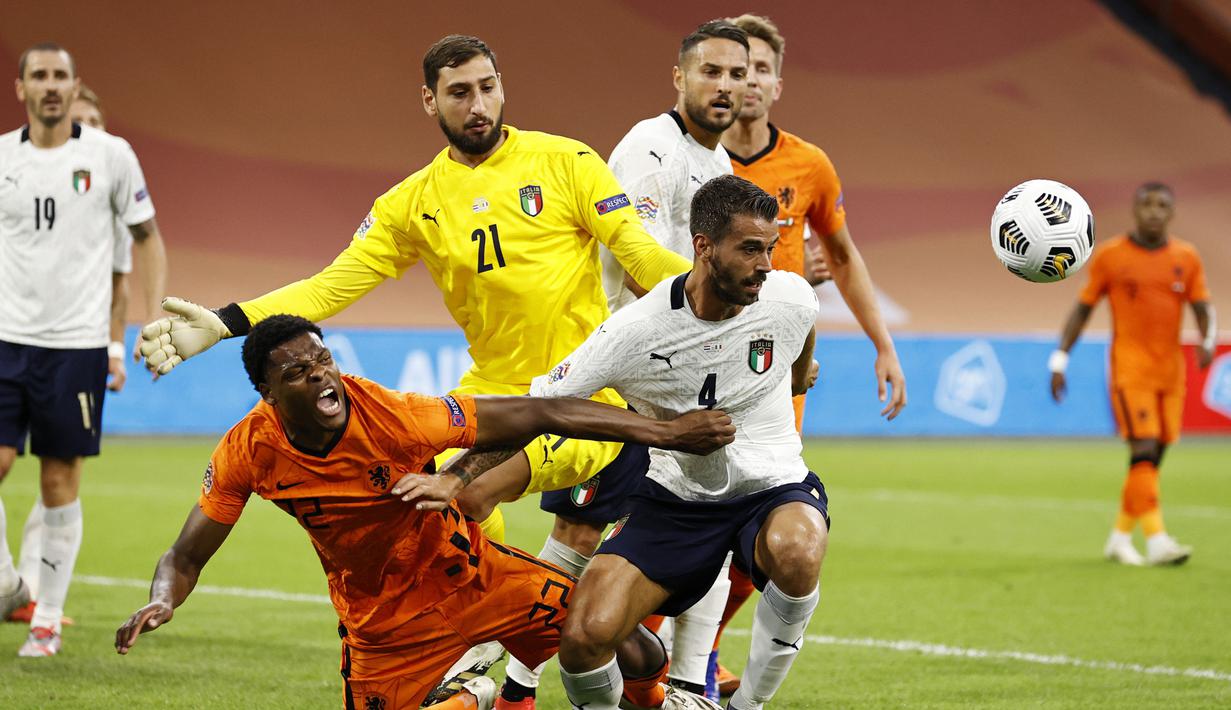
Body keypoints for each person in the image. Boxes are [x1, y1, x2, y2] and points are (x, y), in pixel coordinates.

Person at [115, 315, 735, 710]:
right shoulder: (248, 450)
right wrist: (164, 598)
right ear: (269, 394)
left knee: (618, 639)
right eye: (298, 372)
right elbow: (185, 555)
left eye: (323, 360)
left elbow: (542, 412)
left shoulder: (394, 415)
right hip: (384, 625)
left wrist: (669, 433)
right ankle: (467, 699)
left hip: (478, 579)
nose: (321, 376)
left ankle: (658, 696)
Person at [493, 21, 753, 706]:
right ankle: (496, 673)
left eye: (737, 74)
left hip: (672, 379)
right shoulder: (650, 148)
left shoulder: (719, 168)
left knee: (710, 517)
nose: (725, 86)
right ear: (680, 77)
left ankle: (683, 682)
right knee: (575, 537)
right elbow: (632, 260)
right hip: (623, 380)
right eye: (711, 72)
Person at [508, 175, 823, 710]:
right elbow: (541, 404)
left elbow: (802, 342)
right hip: (676, 498)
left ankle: (747, 706)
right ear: (703, 247)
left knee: (798, 546)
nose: (766, 265)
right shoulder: (637, 331)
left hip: (773, 487)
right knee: (584, 637)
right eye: (750, 249)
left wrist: (797, 376)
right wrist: (462, 472)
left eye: (769, 249)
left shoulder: (789, 298)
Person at [712, 13, 910, 695]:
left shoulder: (808, 165)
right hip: (695, 369)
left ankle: (694, 656)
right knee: (677, 516)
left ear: (776, 82)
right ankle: (659, 656)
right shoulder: (685, 158)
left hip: (775, 379)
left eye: (761, 68)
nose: (748, 81)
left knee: (761, 526)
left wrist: (882, 346)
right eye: (735, 69)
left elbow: (845, 255)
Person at [0, 43, 168, 657]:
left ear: (74, 86)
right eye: (38, 76)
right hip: (5, 338)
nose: (50, 85)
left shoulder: (110, 156)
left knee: (57, 480)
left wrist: (152, 322)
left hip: (75, 347)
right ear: (20, 87)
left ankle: (45, 618)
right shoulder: (1, 161)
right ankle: (6, 584)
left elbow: (147, 239)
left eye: (60, 76)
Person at [1050, 182, 1214, 567]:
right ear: (1134, 210)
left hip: (1170, 373)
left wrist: (1206, 340)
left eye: (1162, 205)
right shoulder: (1111, 256)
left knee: (1153, 457)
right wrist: (1059, 359)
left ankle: (1119, 537)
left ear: (1172, 213)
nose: (1154, 211)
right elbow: (1083, 309)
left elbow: (1203, 305)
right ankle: (1157, 541)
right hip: (1130, 370)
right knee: (1142, 447)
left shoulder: (1186, 257)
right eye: (1147, 204)